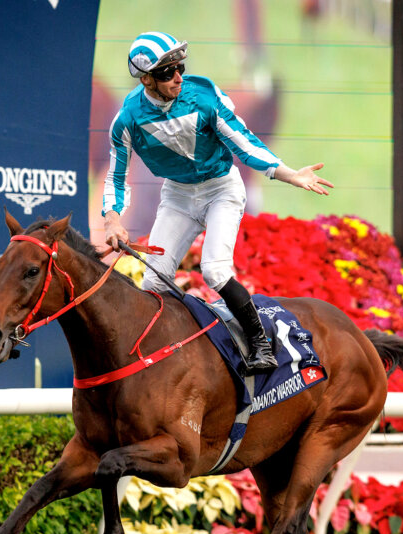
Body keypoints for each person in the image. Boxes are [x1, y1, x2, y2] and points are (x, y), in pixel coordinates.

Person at [101, 31, 333, 373]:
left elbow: (245, 143)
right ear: (146, 79)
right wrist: (112, 219)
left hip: (221, 190)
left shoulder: (205, 96)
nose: (178, 77)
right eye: (167, 73)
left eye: (179, 66)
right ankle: (175, 350)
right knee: (153, 282)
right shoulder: (127, 119)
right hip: (178, 195)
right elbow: (116, 177)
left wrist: (289, 174)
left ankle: (260, 344)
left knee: (214, 270)